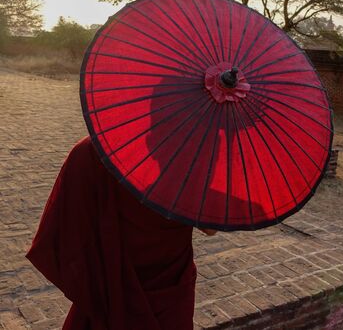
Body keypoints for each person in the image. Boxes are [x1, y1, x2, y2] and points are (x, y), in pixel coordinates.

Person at [26, 135, 217, 330]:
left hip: (108, 287)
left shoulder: (94, 151)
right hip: (169, 294)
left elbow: (66, 232)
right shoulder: (194, 154)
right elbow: (210, 228)